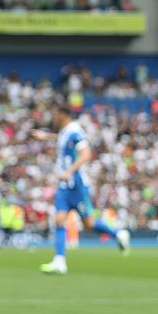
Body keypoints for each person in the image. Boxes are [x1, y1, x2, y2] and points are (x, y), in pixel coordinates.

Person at [33, 104, 130, 275]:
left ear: (63, 115)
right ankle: (59, 261)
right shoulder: (65, 132)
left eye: (55, 114)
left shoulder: (75, 131)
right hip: (65, 186)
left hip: (76, 185)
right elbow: (62, 139)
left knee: (89, 223)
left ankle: (118, 234)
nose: (53, 118)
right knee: (59, 219)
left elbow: (85, 154)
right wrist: (46, 136)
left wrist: (69, 171)